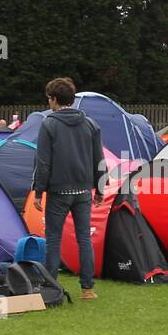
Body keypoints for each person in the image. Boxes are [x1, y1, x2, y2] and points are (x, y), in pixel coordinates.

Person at [32, 77, 104, 300]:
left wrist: (38, 191)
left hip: (58, 191)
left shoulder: (49, 124)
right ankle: (88, 289)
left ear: (53, 99)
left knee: (54, 239)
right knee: (84, 239)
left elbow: (43, 162)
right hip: (83, 191)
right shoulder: (90, 124)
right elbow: (98, 158)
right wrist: (101, 188)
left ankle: (52, 288)